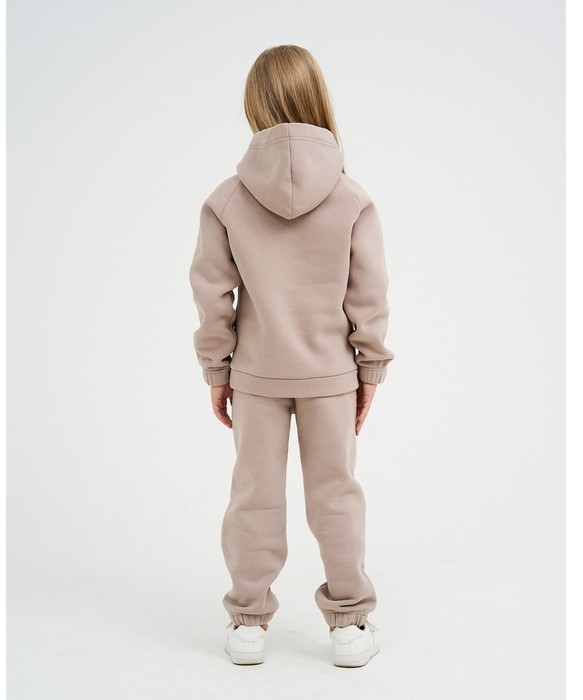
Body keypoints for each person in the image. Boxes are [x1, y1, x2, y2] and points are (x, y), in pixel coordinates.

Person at [188, 44, 395, 667]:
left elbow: (212, 292)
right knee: (336, 494)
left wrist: (217, 368)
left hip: (256, 374)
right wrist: (370, 367)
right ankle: (350, 624)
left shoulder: (228, 198)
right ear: (317, 98)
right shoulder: (351, 196)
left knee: (254, 495)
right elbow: (368, 294)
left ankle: (247, 623)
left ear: (254, 105)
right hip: (331, 374)